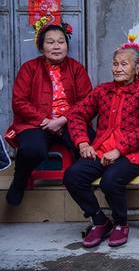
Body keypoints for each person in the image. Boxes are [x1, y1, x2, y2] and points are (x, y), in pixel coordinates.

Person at [63, 35, 139, 248]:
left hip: (136, 154)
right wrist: (82, 142)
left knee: (110, 180)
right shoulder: (102, 91)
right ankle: (100, 220)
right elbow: (76, 114)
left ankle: (120, 222)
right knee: (73, 176)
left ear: (137, 68)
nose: (117, 68)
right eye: (115, 64)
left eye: (124, 64)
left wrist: (119, 150)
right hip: (102, 150)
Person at [6, 19, 92, 206]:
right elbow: (19, 102)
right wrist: (44, 120)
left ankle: (81, 182)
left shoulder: (76, 69)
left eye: (61, 42)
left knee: (90, 142)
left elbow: (87, 102)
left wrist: (62, 120)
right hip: (36, 123)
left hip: (69, 121)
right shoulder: (29, 68)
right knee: (32, 149)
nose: (56, 46)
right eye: (50, 42)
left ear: (67, 45)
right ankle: (20, 180)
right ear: (41, 46)